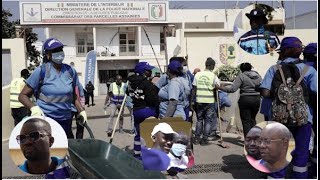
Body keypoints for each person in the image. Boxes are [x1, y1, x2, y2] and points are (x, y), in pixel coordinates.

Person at [260, 37, 317, 178]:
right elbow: (315, 91)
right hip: (304, 118)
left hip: (278, 118)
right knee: (301, 152)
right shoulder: (309, 70)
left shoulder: (274, 69)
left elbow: (265, 93)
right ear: (299, 51)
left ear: (284, 51)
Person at [18, 38, 87, 138]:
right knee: (48, 150)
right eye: (55, 51)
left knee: (65, 149)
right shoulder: (41, 71)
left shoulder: (70, 71)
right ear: (48, 55)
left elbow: (74, 96)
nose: (59, 53)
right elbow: (22, 96)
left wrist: (81, 111)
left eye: (60, 49)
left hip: (66, 120)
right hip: (46, 120)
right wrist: (34, 108)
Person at [216, 62, 262, 138]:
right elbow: (262, 86)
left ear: (241, 69)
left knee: (246, 121)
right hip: (257, 99)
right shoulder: (258, 76)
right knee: (253, 119)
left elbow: (233, 89)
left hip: (245, 99)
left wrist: (220, 88)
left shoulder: (241, 76)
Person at [127, 62, 160, 159]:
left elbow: (128, 94)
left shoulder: (130, 83)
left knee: (138, 134)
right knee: (151, 133)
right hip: (147, 110)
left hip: (136, 111)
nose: (150, 72)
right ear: (143, 72)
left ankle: (137, 154)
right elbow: (152, 99)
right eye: (148, 70)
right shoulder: (147, 83)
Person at [191, 57, 220, 146]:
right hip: (209, 101)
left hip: (199, 100)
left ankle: (196, 138)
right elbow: (218, 87)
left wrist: (192, 101)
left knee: (199, 120)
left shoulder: (197, 75)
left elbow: (194, 89)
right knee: (208, 121)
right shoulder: (214, 76)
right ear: (212, 66)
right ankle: (204, 140)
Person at [156, 57, 193, 122]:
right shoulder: (177, 80)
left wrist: (166, 119)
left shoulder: (174, 83)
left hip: (173, 117)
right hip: (175, 115)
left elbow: (173, 103)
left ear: (169, 70)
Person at [302, 42, 317, 178]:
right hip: (311, 111)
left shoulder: (303, 67)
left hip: (304, 112)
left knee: (305, 143)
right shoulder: (312, 70)